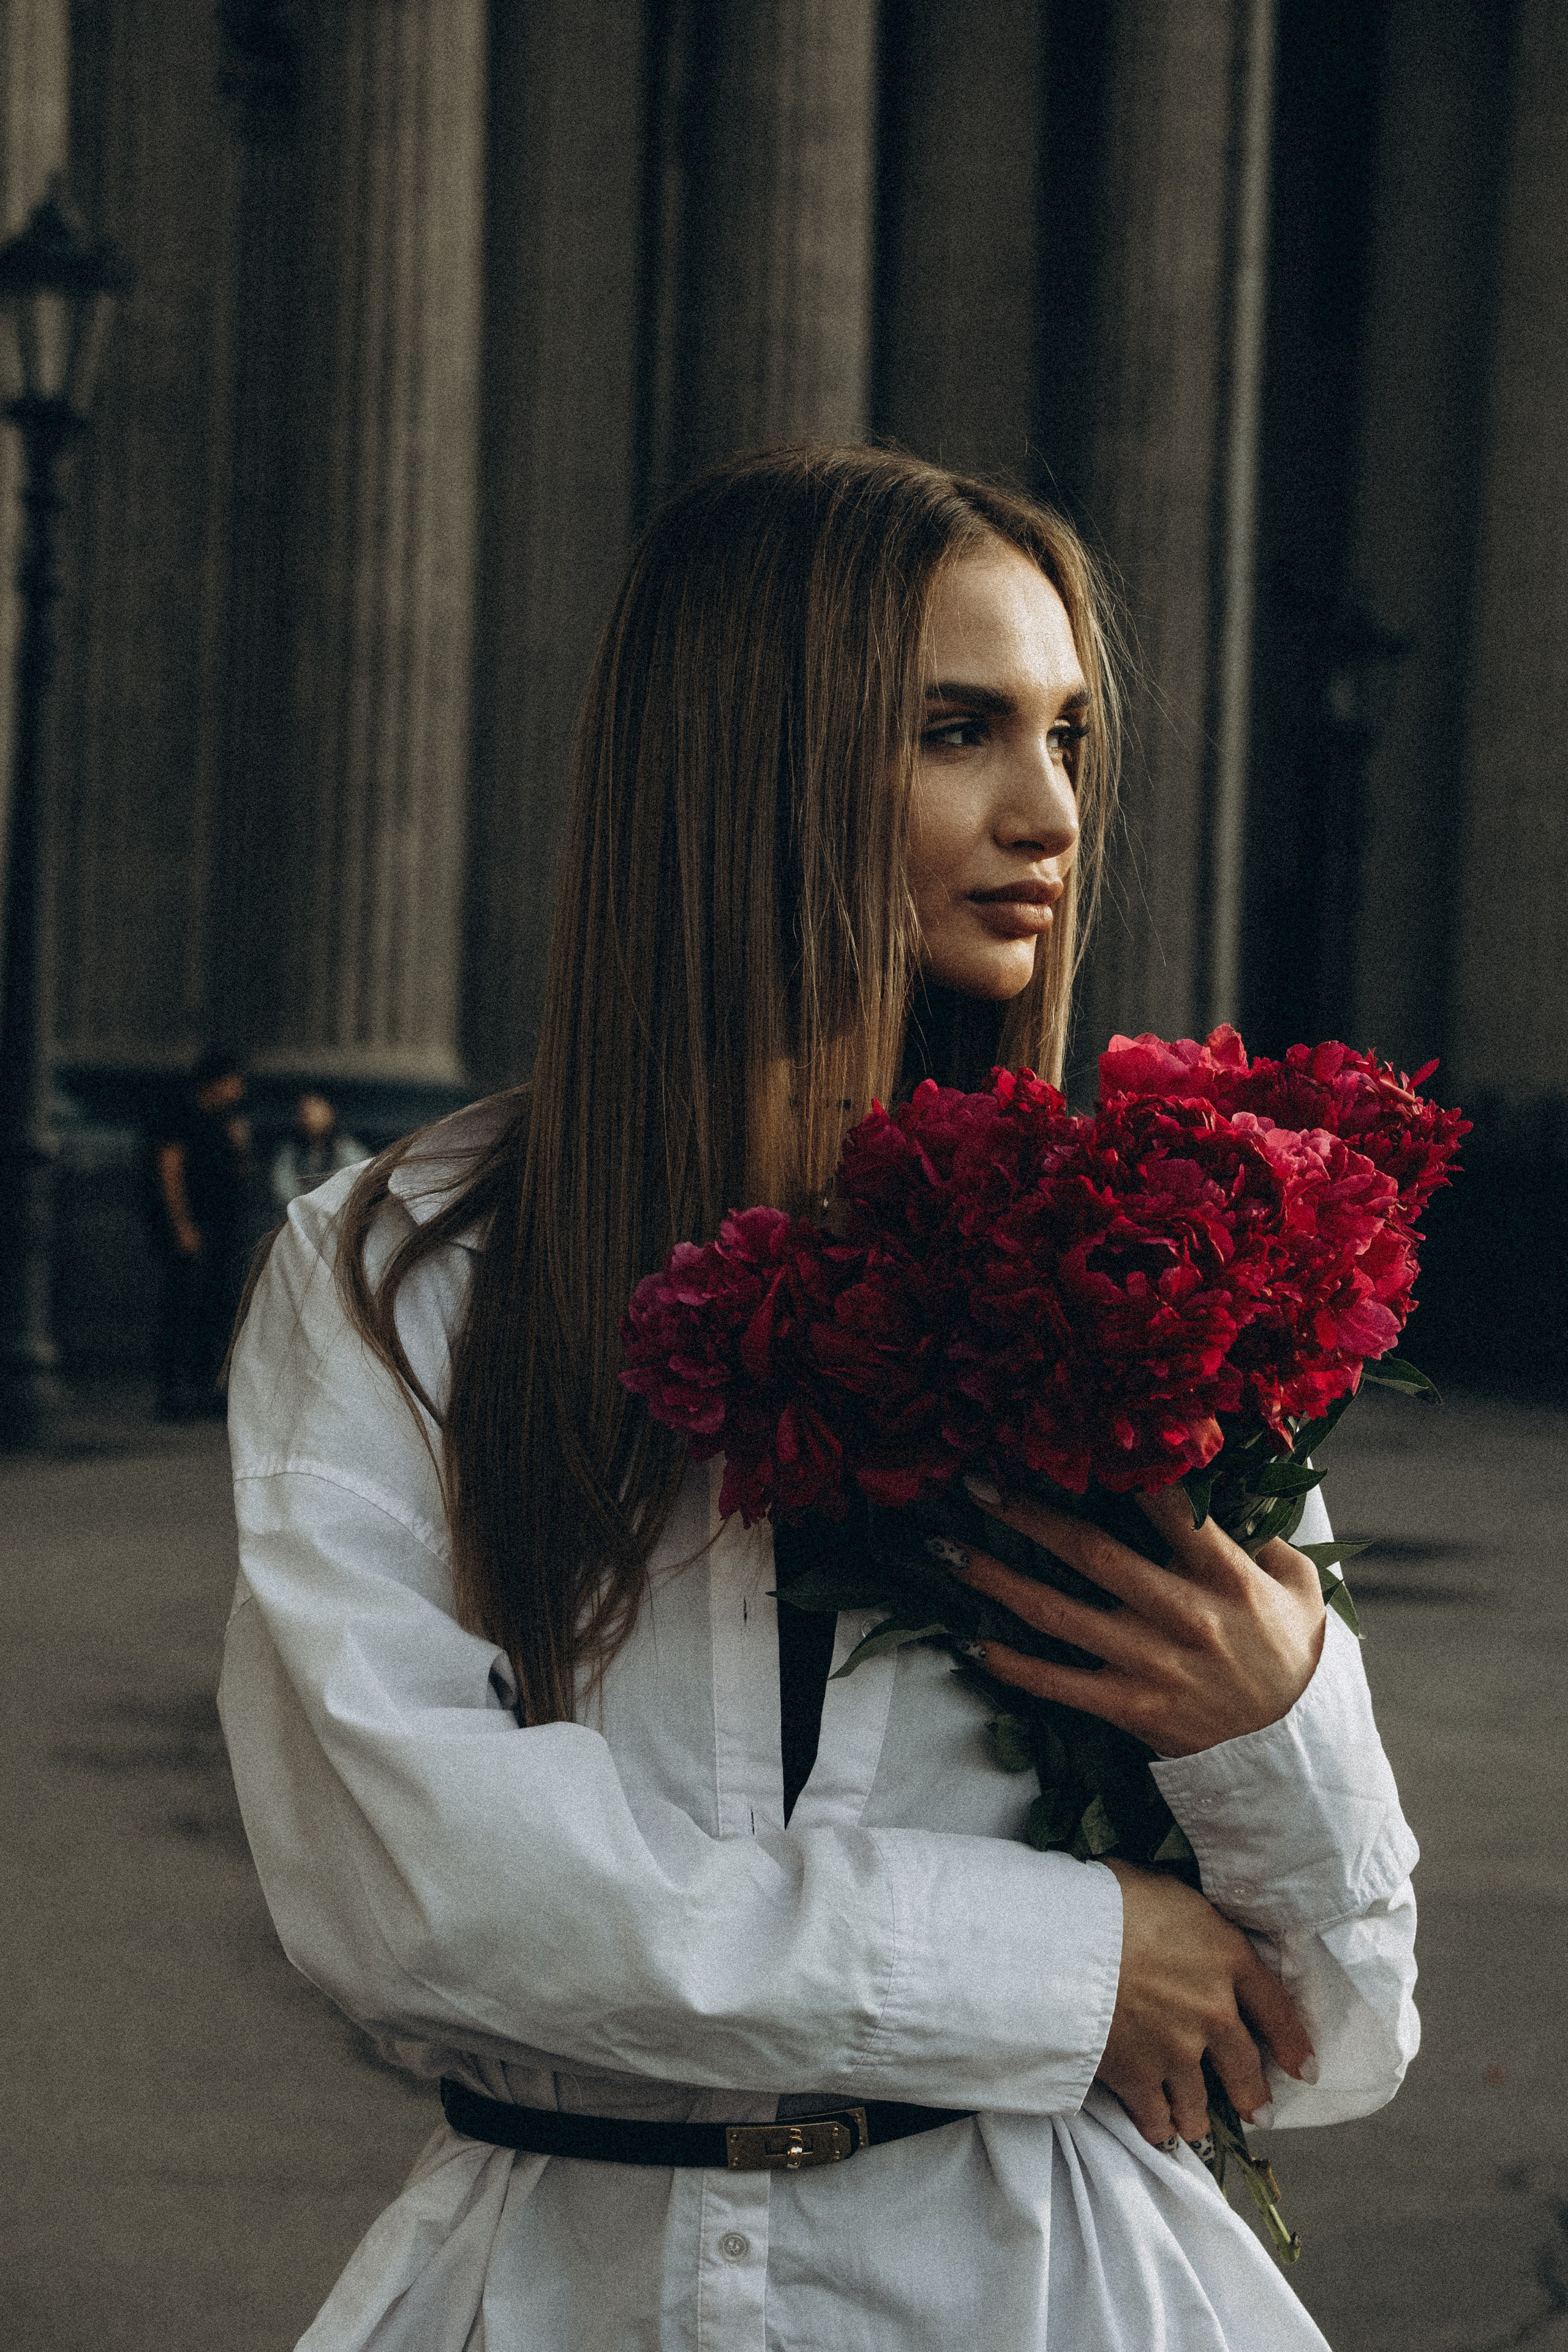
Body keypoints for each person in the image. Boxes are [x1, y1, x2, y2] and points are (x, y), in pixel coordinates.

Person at [219, 448, 1418, 2352]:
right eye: (958, 731)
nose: (1048, 812)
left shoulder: (1137, 1270)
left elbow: (1328, 2035)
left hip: (1054, 2287)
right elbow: (426, 1893)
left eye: (1067, 736)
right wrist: (1066, 1954)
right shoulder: (404, 1272)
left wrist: (1276, 1725)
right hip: (560, 2287)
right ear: (742, 758)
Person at [148, 1045, 252, 1420]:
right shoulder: (180, 1112)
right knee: (181, 1304)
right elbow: (170, 1170)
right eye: (233, 1080)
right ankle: (173, 1392)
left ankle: (207, 1388)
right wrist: (181, 1223)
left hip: (222, 1225)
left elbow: (237, 1170)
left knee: (216, 1304)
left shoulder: (228, 1119)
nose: (238, 1089)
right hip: (192, 1224)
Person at [270, 1090, 366, 1209]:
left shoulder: (348, 1151)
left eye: (316, 1110)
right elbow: (283, 1188)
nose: (309, 1117)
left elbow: (353, 1187)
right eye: (304, 1112)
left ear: (330, 1112)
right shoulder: (289, 1153)